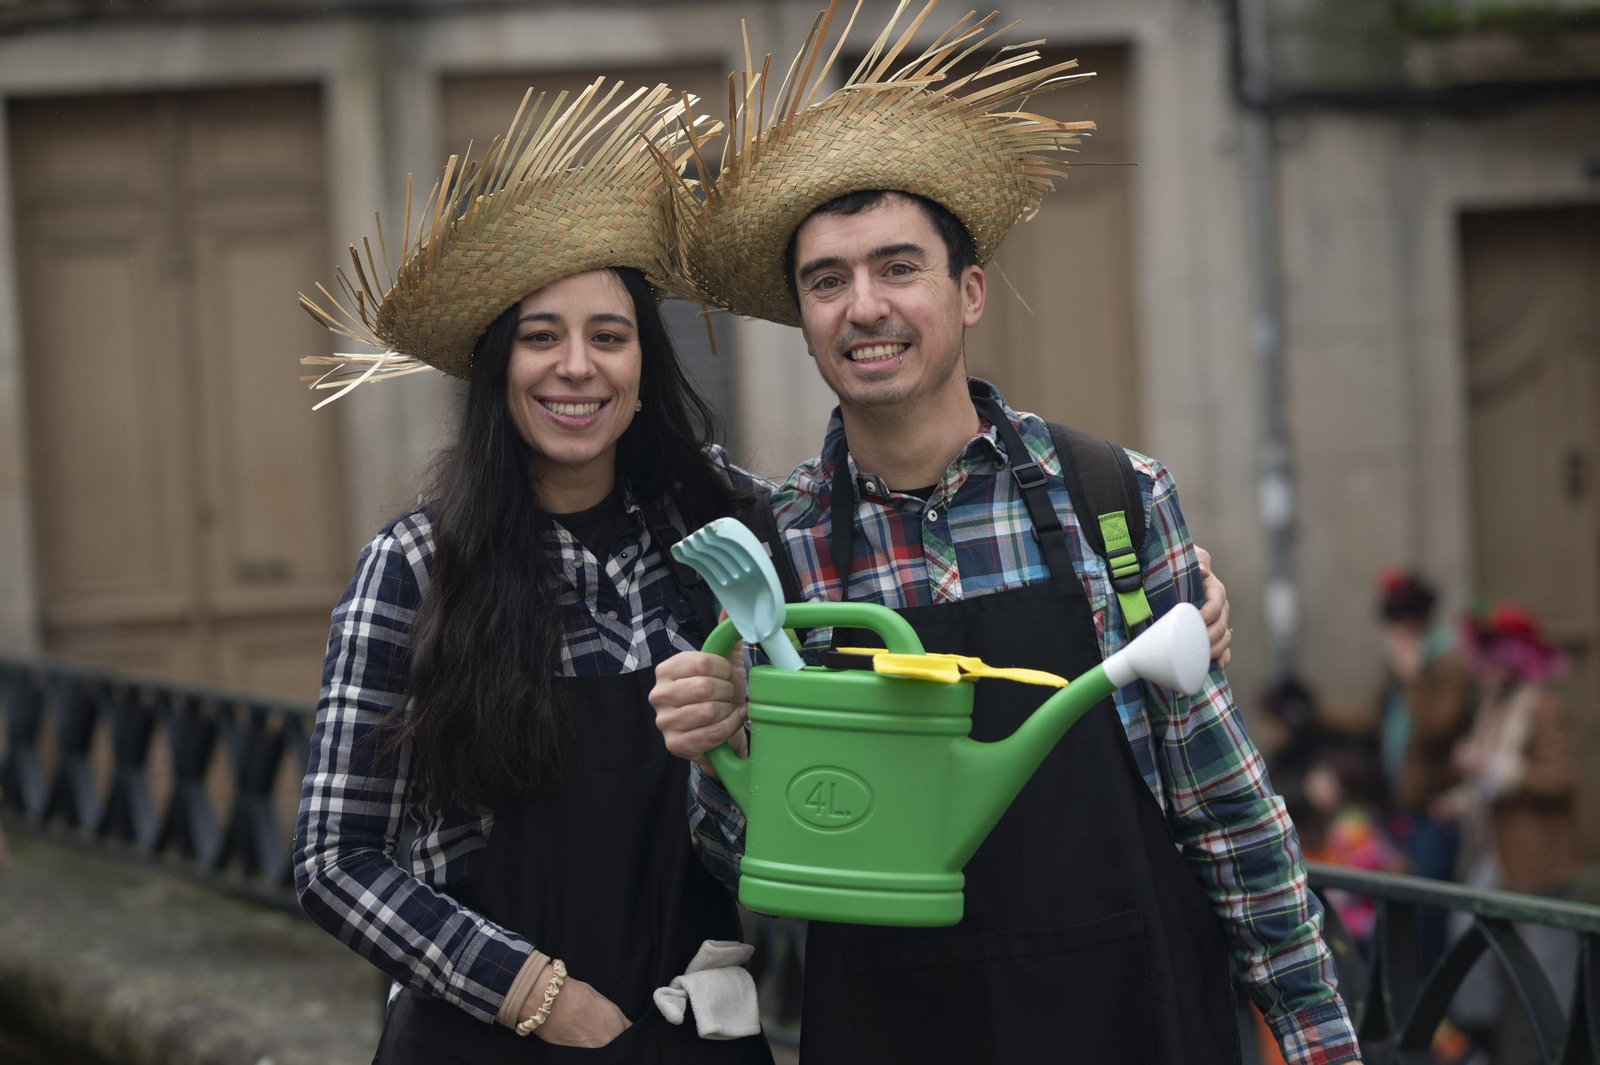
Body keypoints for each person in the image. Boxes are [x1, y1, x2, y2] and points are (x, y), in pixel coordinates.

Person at [648, 5, 1361, 1063]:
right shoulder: (778, 545)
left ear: (967, 291)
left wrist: (1314, 1036)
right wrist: (725, 746)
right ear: (803, 319)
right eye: (827, 280)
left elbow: (1220, 798)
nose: (863, 307)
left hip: (1133, 1010)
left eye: (898, 268)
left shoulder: (1111, 499)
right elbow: (750, 851)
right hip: (898, 1027)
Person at [292, 82, 774, 1064]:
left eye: (608, 335)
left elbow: (870, 578)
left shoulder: (727, 528)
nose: (576, 367)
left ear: (644, 369)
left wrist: (1172, 601)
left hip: (690, 1028)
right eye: (540, 337)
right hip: (483, 1034)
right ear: (494, 367)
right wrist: (534, 993)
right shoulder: (416, 568)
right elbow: (334, 860)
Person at [1439, 603, 1578, 1057]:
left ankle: (1566, 1047)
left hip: (1538, 860)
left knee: (1551, 960)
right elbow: (1488, 785)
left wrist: (1496, 769)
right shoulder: (1495, 709)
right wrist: (1460, 799)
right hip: (1495, 855)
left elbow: (1560, 777)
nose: (1483, 672)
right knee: (1467, 939)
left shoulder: (1542, 709)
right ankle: (1480, 1039)